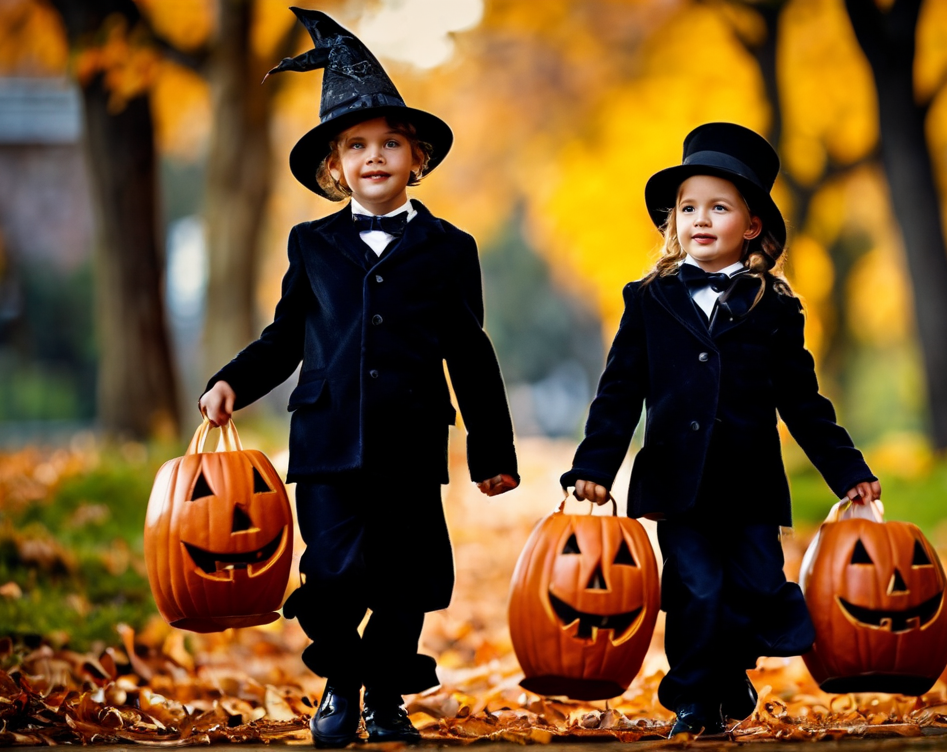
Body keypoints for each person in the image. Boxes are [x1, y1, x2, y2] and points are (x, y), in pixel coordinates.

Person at [198, 9, 518, 748]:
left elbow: (469, 351)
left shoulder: (448, 249)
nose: (374, 156)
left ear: (417, 158)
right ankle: (342, 685)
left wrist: (493, 453)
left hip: (409, 440)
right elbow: (285, 336)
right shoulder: (311, 244)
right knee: (336, 576)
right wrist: (231, 384)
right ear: (333, 167)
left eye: (389, 143)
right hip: (328, 440)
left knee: (407, 579)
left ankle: (386, 698)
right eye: (356, 146)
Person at [559, 123, 881, 738]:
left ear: (751, 225)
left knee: (758, 586)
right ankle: (694, 699)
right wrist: (594, 469)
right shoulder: (648, 301)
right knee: (696, 590)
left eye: (718, 207)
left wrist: (848, 471)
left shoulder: (775, 308)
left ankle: (728, 666)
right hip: (678, 487)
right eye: (687, 208)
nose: (699, 219)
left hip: (751, 486)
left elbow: (803, 401)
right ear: (673, 223)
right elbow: (620, 392)